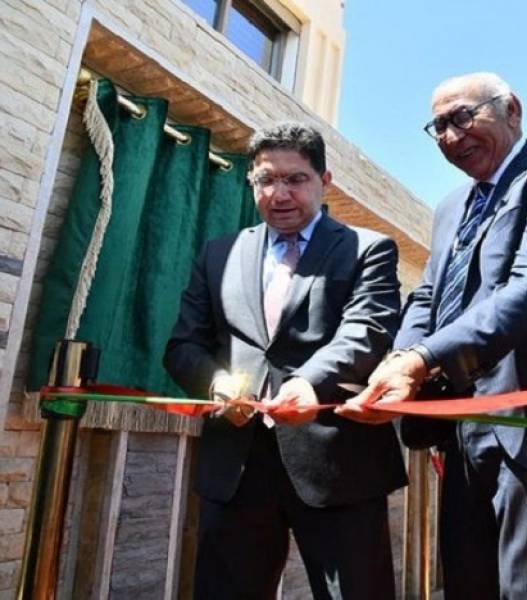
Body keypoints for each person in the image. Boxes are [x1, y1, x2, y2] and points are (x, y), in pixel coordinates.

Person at [336, 72, 527, 599]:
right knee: (468, 584)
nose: (450, 136)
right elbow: (428, 298)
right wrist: (399, 359)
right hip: (463, 431)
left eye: (463, 117)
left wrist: (421, 357)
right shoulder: (449, 208)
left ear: (511, 109)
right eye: (438, 126)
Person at [164, 123, 406, 600]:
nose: (279, 194)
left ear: (324, 179)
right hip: (236, 466)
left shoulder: (368, 249)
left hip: (337, 466)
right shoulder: (219, 254)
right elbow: (182, 346)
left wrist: (311, 383)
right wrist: (216, 383)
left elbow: (367, 331)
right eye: (266, 180)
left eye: (295, 179)